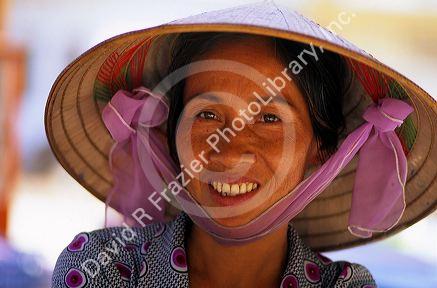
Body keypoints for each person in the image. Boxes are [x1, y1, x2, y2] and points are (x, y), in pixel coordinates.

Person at [46, 1, 436, 287]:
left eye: (269, 119)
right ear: (171, 134)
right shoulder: (103, 268)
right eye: (207, 115)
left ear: (322, 147)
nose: (229, 153)